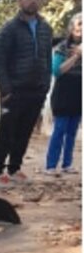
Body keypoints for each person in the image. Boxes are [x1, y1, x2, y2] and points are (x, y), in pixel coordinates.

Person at [0, 0, 53, 188]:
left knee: (24, 132)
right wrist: (5, 89)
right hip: (14, 91)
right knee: (6, 131)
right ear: (21, 0)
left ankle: (15, 168)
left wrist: (45, 85)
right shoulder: (9, 29)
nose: (34, 1)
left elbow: (47, 58)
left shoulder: (46, 29)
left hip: (36, 91)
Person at [44, 13, 82, 176]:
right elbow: (57, 71)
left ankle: (67, 164)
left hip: (79, 94)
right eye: (79, 23)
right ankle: (51, 165)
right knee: (60, 129)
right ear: (72, 27)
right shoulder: (62, 46)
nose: (81, 27)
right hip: (63, 93)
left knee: (72, 131)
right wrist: (77, 56)